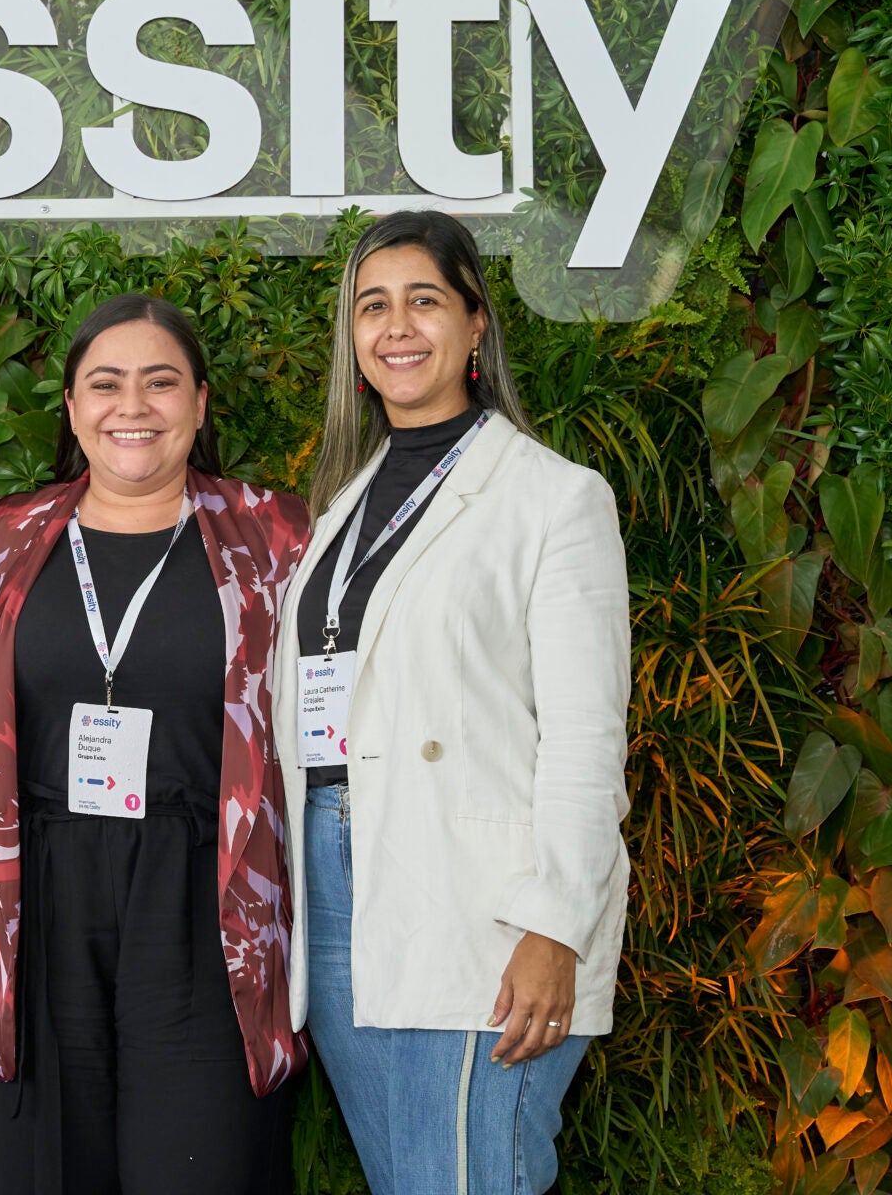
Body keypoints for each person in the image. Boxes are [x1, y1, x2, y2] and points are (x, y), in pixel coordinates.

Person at [272, 210, 631, 1192]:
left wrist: (554, 926)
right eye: (372, 305)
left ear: (477, 323)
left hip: (482, 899)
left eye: (424, 300)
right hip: (342, 888)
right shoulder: (341, 502)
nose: (396, 325)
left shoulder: (555, 499)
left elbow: (588, 738)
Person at [0, 292, 311, 1194]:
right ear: (71, 408)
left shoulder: (275, 537)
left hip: (209, 898)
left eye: (161, 382)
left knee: (202, 1164)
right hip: (37, 898)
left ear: (201, 401)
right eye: (105, 384)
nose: (132, 406)